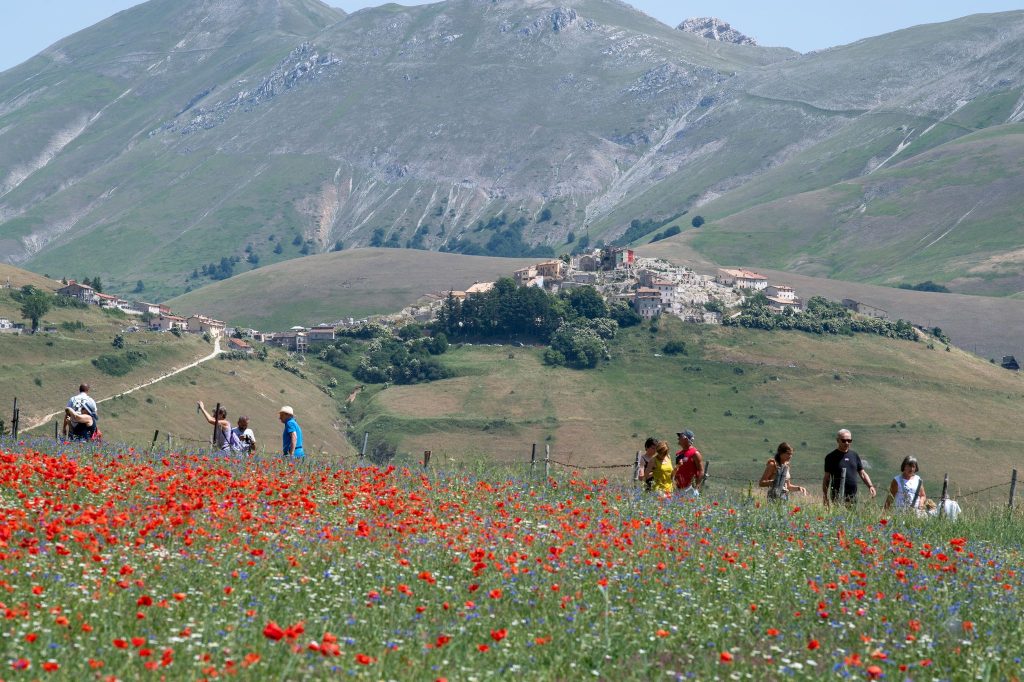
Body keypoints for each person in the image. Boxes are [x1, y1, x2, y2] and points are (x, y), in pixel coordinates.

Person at [822, 429, 876, 507]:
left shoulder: (854, 455)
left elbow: (862, 473)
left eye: (849, 440)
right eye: (843, 440)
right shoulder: (831, 457)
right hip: (837, 496)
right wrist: (825, 495)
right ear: (838, 440)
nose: (846, 443)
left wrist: (870, 486)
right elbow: (827, 478)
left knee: (851, 518)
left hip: (853, 496)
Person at [673, 429, 703, 497]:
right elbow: (677, 470)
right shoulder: (678, 454)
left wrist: (697, 488)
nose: (678, 438)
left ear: (686, 439)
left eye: (680, 436)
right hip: (677, 489)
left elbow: (701, 471)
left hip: (689, 489)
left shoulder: (695, 453)